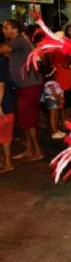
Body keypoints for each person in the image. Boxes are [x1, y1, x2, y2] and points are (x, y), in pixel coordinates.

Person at [0, 20, 44, 162]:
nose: (3, 30)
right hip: (25, 86)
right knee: (25, 119)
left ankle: (38, 151)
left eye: (7, 28)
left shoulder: (18, 40)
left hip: (29, 85)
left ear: (15, 29)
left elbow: (3, 49)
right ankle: (29, 149)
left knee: (29, 121)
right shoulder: (18, 43)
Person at [0, 33, 17, 173]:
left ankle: (7, 164)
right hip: (7, 100)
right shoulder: (4, 59)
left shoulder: (1, 60)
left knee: (4, 135)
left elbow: (1, 84)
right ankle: (4, 162)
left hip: (4, 102)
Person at [41, 68, 66, 139]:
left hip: (55, 100)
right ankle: (54, 132)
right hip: (53, 100)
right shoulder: (50, 83)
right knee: (53, 116)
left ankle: (56, 130)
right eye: (55, 73)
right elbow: (54, 92)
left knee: (56, 116)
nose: (56, 75)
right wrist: (59, 100)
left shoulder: (52, 82)